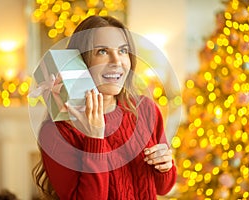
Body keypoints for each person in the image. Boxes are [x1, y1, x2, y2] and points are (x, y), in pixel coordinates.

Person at [32, 15, 176, 200]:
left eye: (123, 51)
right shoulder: (56, 132)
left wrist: (165, 166)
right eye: (102, 51)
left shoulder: (146, 109)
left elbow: (163, 187)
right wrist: (95, 139)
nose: (117, 61)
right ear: (80, 62)